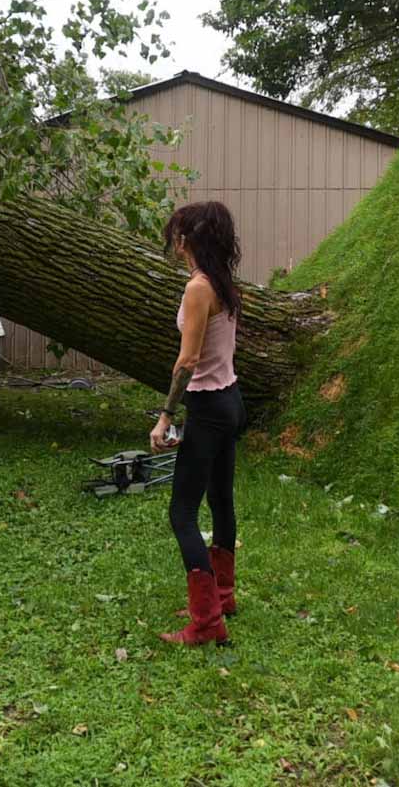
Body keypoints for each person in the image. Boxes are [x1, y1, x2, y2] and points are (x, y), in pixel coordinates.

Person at [150, 201, 246, 646]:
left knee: (182, 513)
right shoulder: (225, 283)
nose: (176, 241)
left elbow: (188, 360)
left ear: (189, 239)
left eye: (178, 234)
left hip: (206, 407)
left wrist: (166, 415)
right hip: (230, 400)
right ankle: (221, 596)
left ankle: (206, 622)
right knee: (221, 499)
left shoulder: (198, 288)